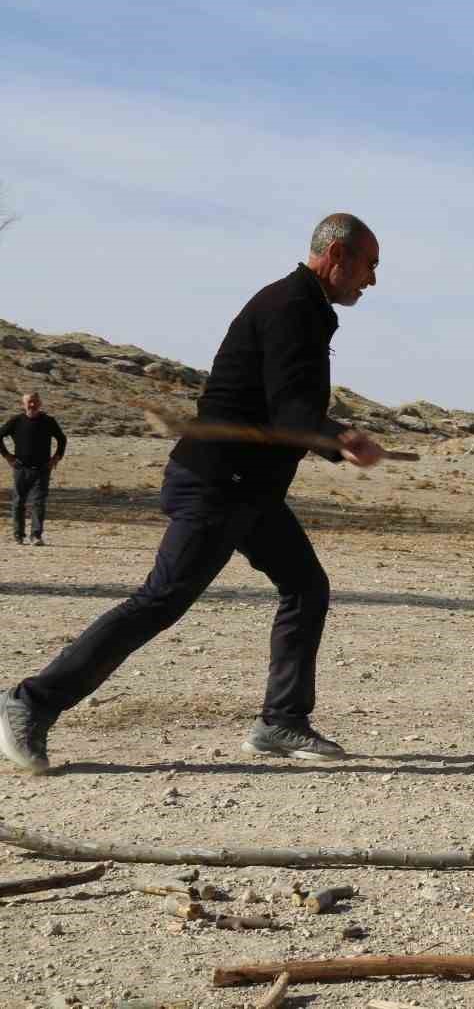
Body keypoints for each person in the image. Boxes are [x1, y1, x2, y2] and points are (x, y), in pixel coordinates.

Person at [0, 214, 388, 775]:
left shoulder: (304, 306)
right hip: (216, 485)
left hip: (248, 491)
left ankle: (281, 721)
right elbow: (292, 412)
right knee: (160, 601)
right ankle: (30, 702)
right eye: (369, 265)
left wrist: (333, 437)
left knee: (305, 586)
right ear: (338, 254)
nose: (371, 280)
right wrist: (341, 438)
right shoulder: (291, 305)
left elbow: (286, 407)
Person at [2, 391, 67, 546]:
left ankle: (36, 536)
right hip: (21, 468)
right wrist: (7, 456)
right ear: (23, 404)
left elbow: (62, 439)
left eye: (35, 401)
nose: (32, 404)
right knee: (19, 502)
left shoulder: (48, 421)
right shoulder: (16, 421)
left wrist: (56, 458)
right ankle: (19, 535)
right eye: (29, 402)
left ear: (40, 403)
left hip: (42, 468)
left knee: (39, 502)